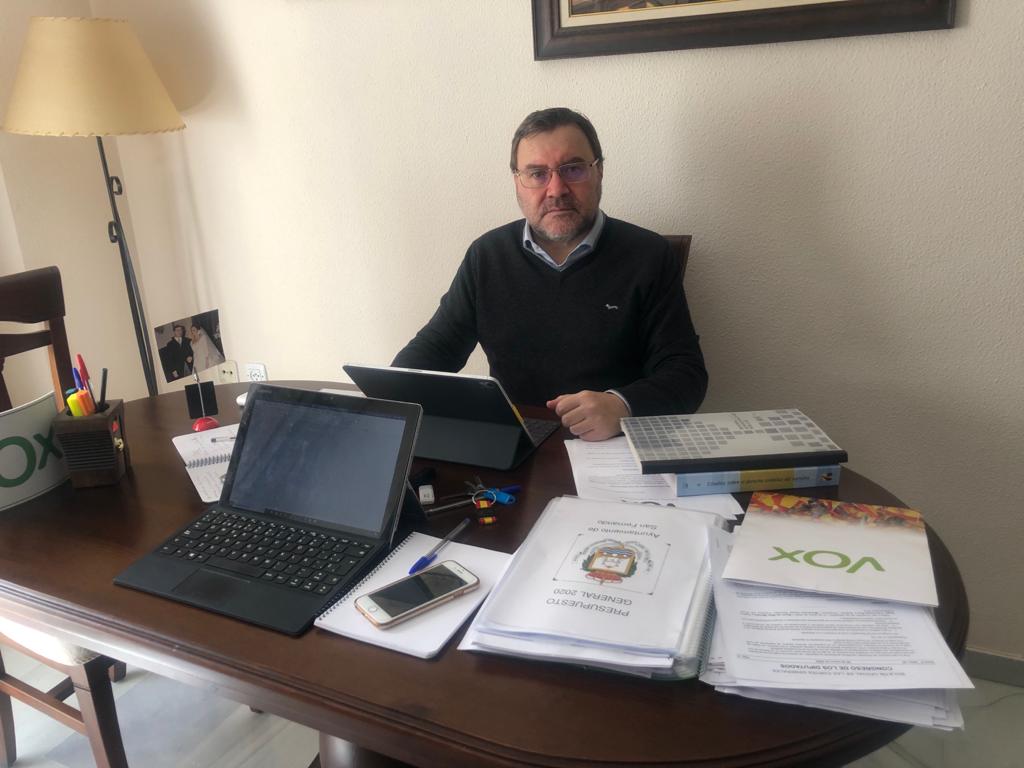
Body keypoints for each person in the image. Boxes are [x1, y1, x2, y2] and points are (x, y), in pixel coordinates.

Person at [393, 107, 708, 441]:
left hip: (612, 447)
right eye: (537, 173)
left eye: (573, 169)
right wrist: (388, 396)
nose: (556, 189)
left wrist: (622, 406)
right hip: (515, 445)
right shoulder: (487, 255)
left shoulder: (649, 255)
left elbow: (686, 373)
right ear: (517, 182)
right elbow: (437, 348)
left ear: (599, 172)